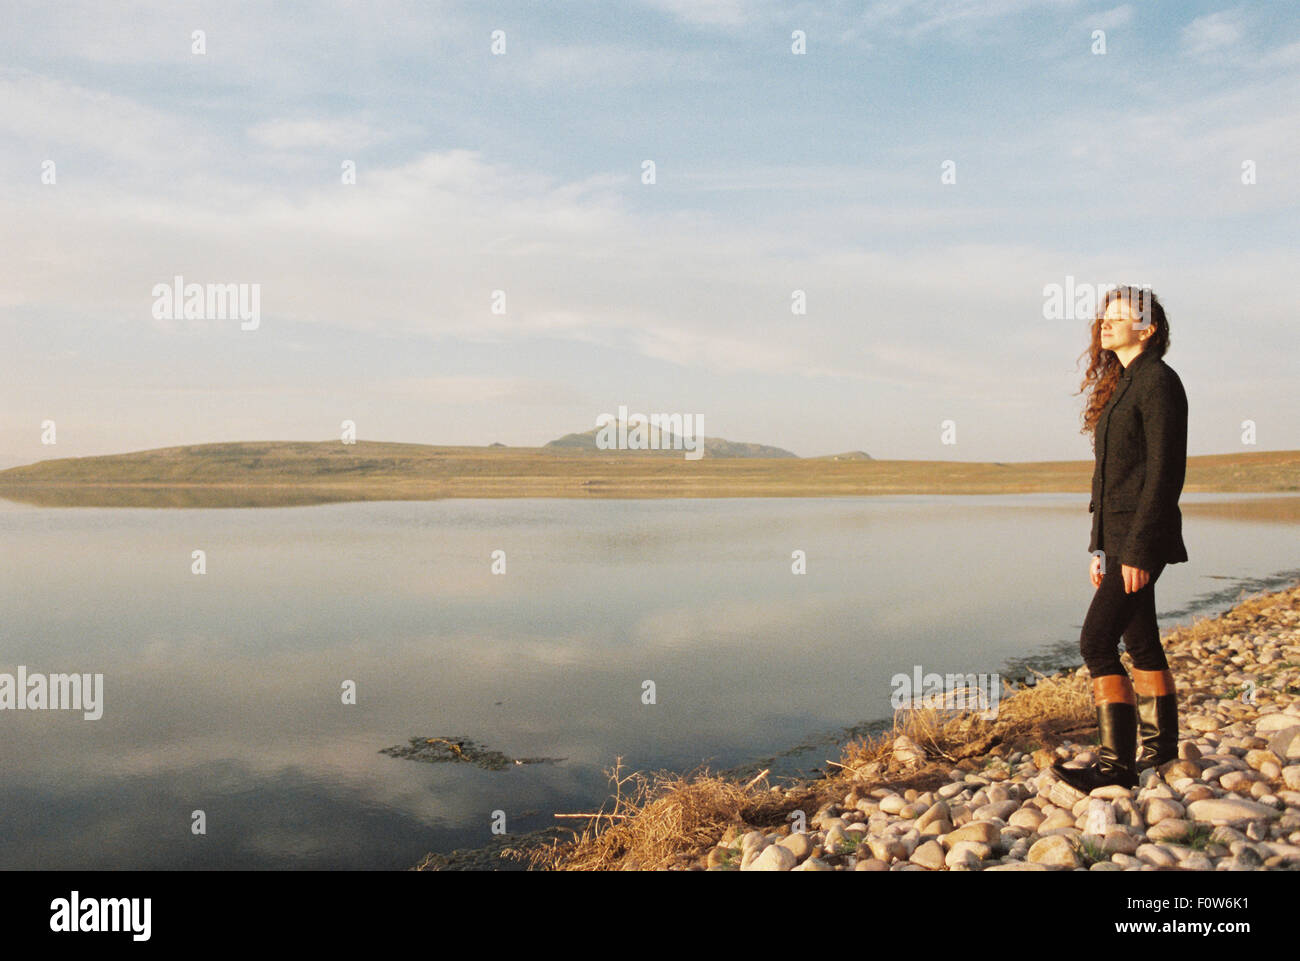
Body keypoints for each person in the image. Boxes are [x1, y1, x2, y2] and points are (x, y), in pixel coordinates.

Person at [1052, 286, 1189, 792]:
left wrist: (1138, 550)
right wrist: (1098, 546)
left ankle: (1116, 767)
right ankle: (1161, 749)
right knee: (1141, 640)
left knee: (1095, 642)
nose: (1104, 323)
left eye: (1118, 317)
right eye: (1103, 316)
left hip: (1139, 539)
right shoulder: (1124, 383)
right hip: (1117, 538)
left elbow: (1164, 473)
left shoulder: (1158, 382)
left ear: (1147, 329)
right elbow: (1106, 477)